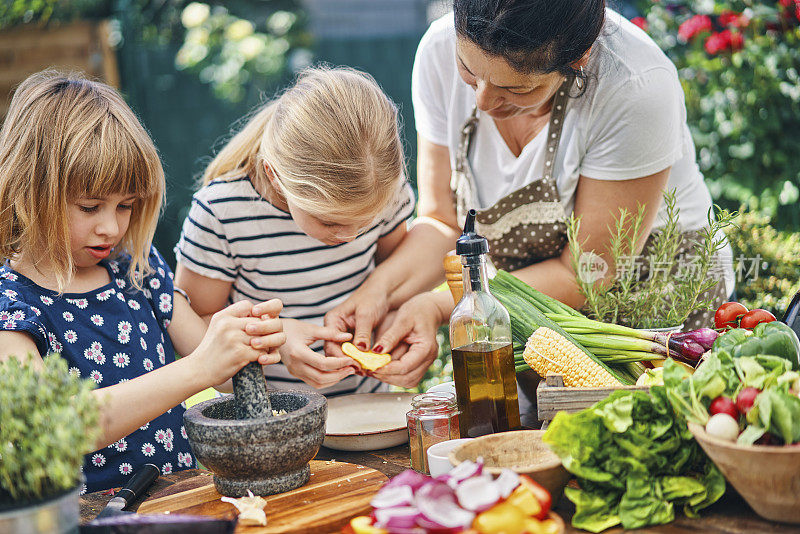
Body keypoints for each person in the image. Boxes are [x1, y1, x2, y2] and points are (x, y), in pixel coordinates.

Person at [322, 0, 734, 390]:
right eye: (469, 71)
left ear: (579, 60)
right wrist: (379, 290)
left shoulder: (635, 86)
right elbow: (443, 224)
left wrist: (441, 306)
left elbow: (585, 274)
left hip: (649, 302)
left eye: (515, 90)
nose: (482, 101)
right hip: (519, 306)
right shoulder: (437, 50)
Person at [0, 71, 286, 493]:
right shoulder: (13, 304)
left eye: (126, 206)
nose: (110, 228)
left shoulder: (136, 270)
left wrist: (246, 336)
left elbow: (220, 372)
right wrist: (199, 367)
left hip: (181, 497)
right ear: (31, 190)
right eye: (90, 206)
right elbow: (57, 423)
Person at [174, 66, 415, 395]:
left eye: (367, 223)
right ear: (275, 176)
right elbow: (194, 325)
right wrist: (277, 341)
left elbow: (395, 279)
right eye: (329, 222)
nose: (350, 237)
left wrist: (393, 328)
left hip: (369, 418)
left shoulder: (381, 188)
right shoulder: (222, 213)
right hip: (268, 431)